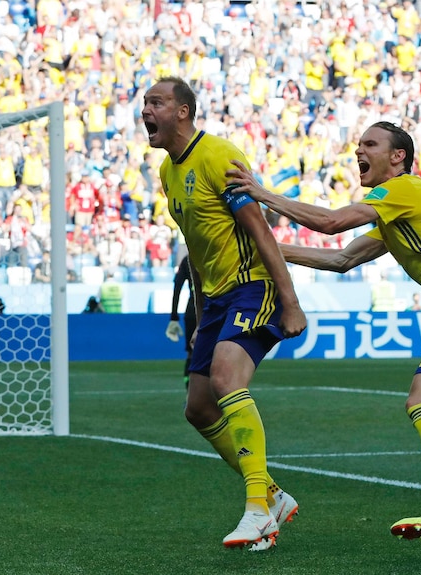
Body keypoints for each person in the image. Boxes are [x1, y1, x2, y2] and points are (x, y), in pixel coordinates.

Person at [226, 121, 421, 550]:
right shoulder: (396, 213)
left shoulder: (402, 189)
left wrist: (261, 193)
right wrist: (266, 251)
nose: (358, 150)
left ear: (397, 156)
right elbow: (342, 259)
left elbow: (331, 223)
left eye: (370, 144)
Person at [142, 76, 307, 551]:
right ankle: (273, 495)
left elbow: (260, 230)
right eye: (144, 103)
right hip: (215, 300)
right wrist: (198, 320)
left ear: (183, 112)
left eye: (156, 102)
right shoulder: (169, 173)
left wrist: (289, 300)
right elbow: (195, 249)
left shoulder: (219, 156)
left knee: (227, 380)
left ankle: (257, 507)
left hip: (253, 286)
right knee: (198, 408)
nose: (146, 110)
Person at [166, 254, 196, 388]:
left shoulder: (187, 259)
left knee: (192, 352)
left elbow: (177, 287)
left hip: (192, 311)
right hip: (213, 308)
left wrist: (174, 317)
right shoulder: (213, 253)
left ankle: (190, 395)